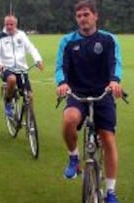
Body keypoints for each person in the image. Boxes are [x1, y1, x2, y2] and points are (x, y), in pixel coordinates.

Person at [55, 1, 123, 202]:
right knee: (68, 119)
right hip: (77, 94)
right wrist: (62, 83)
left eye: (86, 14)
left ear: (95, 16)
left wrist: (114, 81)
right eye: (79, 16)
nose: (82, 19)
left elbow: (116, 63)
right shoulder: (67, 41)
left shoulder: (109, 40)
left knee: (108, 140)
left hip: (103, 93)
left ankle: (110, 191)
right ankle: (74, 158)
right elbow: (60, 66)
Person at [0, 15, 43, 117]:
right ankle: (8, 101)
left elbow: (31, 48)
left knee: (29, 96)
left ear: (16, 24)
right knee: (12, 79)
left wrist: (38, 59)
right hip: (6, 68)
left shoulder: (21, 35)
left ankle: (30, 119)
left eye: (11, 24)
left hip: (21, 69)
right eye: (7, 24)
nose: (9, 26)